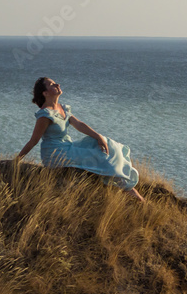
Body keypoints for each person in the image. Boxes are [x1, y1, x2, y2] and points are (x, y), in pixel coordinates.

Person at [16, 77, 144, 202]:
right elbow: (34, 141)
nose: (57, 85)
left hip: (67, 147)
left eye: (55, 83)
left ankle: (125, 183)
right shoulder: (45, 115)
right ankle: (128, 190)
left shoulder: (62, 108)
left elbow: (79, 125)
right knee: (99, 156)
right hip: (55, 154)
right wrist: (16, 160)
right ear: (45, 93)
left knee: (104, 143)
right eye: (52, 85)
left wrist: (98, 136)